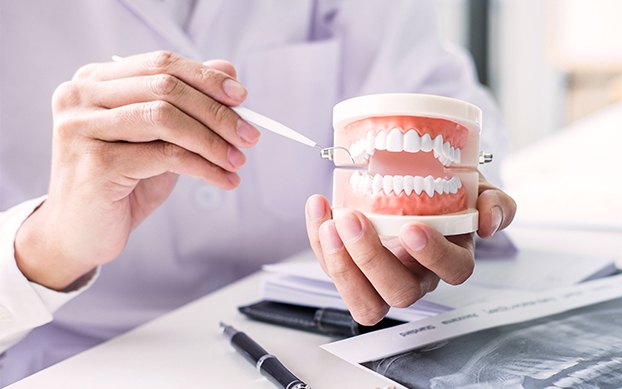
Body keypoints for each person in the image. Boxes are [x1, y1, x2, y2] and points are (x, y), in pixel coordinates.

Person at [0, 0, 515, 384]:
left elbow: (442, 102)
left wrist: (449, 201)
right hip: (73, 365)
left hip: (316, 346)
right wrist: (47, 246)